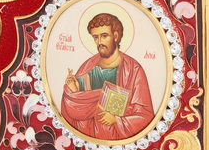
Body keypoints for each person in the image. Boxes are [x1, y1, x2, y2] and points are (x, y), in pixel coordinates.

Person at [60, 12, 154, 140]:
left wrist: (117, 120)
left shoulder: (133, 69)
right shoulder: (87, 67)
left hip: (119, 139)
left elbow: (144, 114)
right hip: (89, 135)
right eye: (95, 37)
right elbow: (74, 110)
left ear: (115, 36)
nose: (100, 42)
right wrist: (73, 91)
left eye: (104, 36)